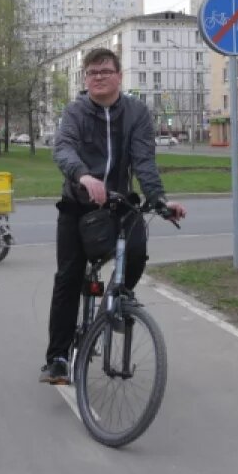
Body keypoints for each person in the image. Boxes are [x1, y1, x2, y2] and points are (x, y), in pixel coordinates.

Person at [41, 47, 187, 385]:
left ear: (120, 76)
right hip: (78, 205)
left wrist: (160, 200)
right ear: (85, 79)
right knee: (68, 277)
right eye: (92, 72)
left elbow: (144, 161)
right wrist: (83, 176)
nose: (99, 77)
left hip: (119, 204)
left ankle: (118, 298)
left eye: (105, 71)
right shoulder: (75, 111)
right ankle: (59, 357)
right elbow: (62, 148)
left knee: (136, 250)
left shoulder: (136, 112)